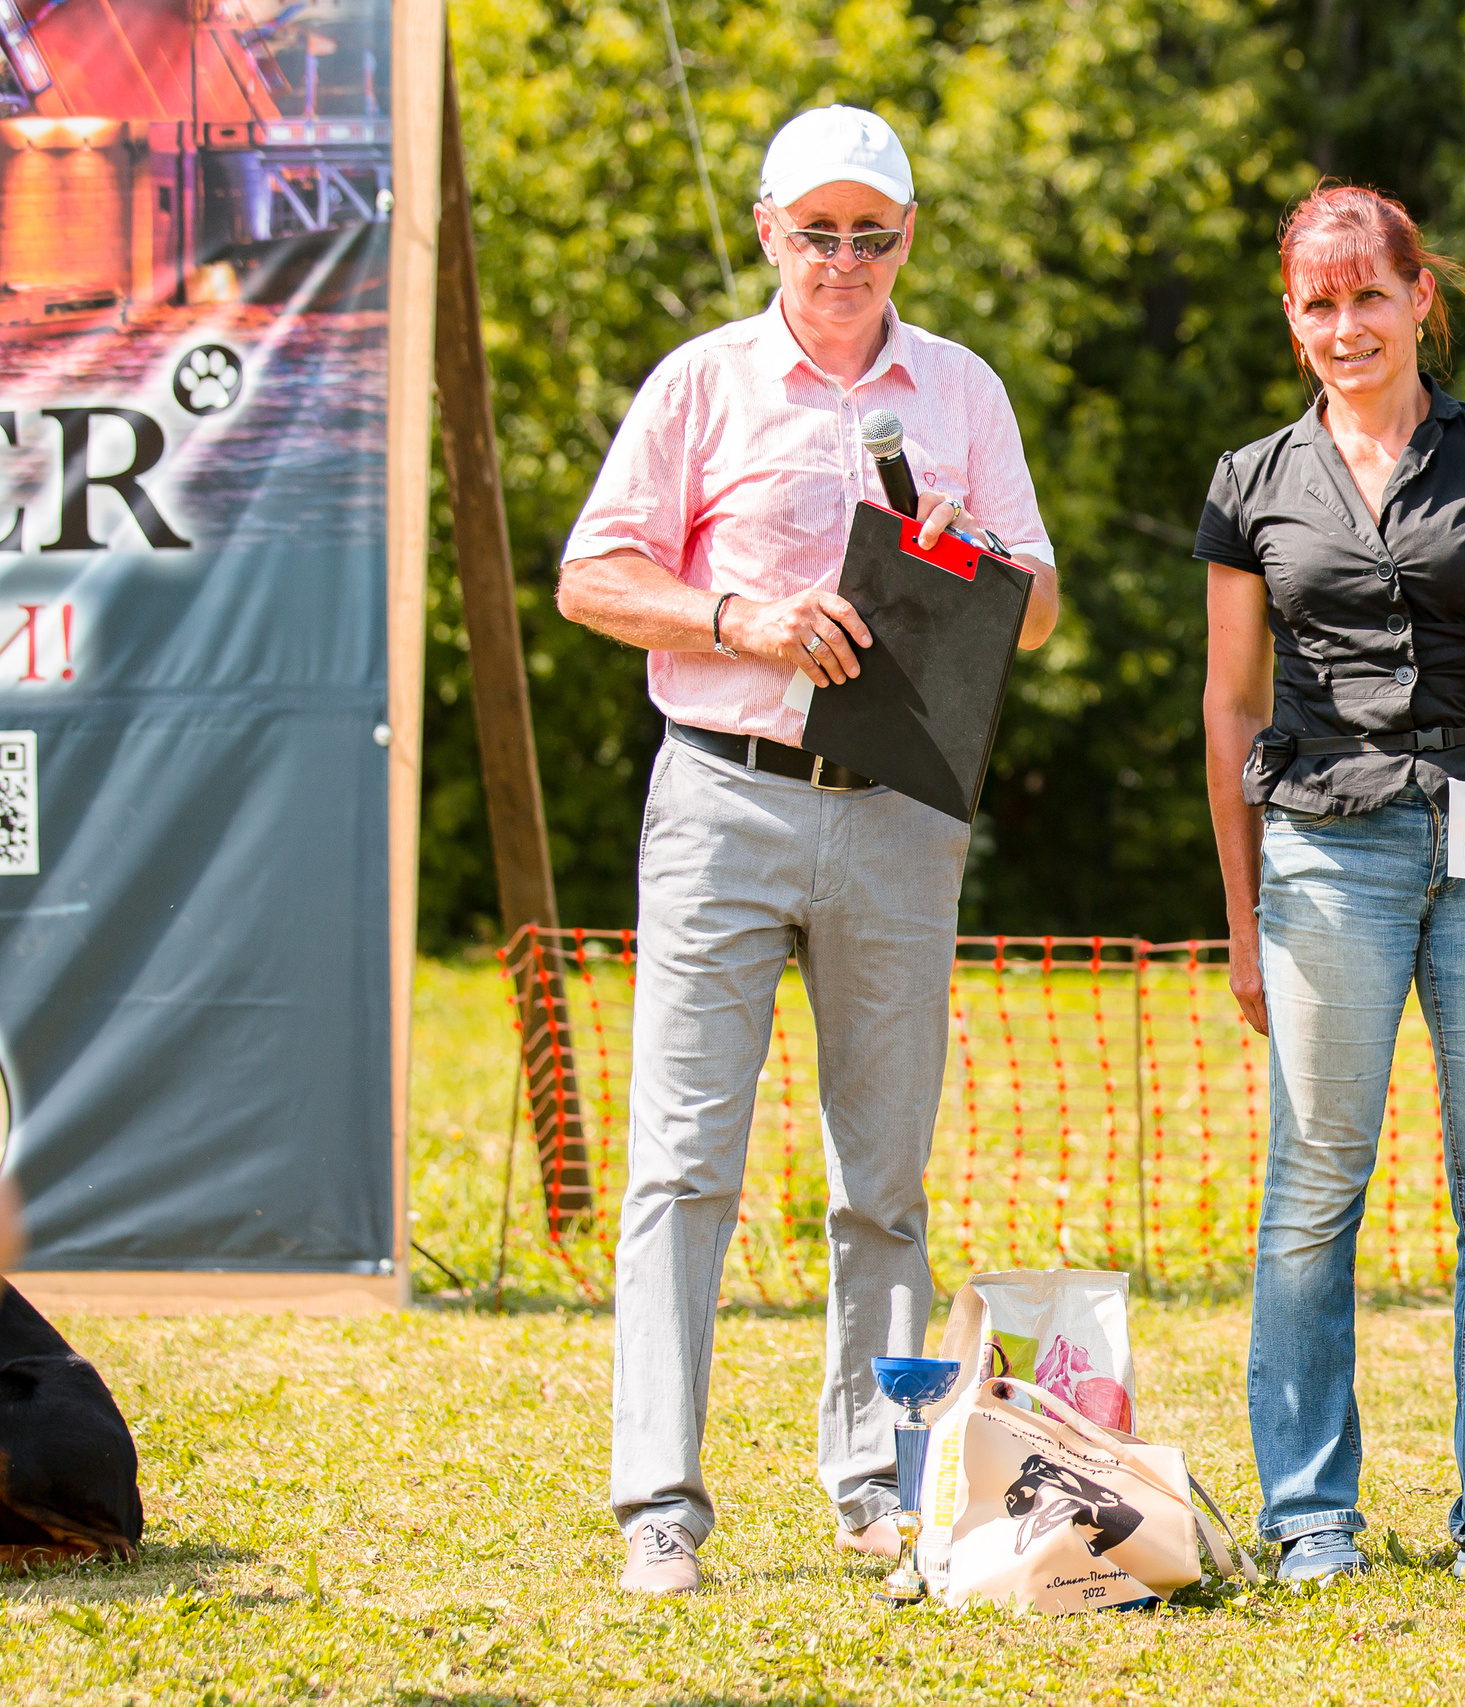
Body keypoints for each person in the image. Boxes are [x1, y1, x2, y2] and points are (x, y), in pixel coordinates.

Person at [557, 105, 1058, 1596]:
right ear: (772, 229)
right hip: (722, 796)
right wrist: (738, 619)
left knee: (883, 1179)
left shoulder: (960, 389)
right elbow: (593, 574)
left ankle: (877, 1488)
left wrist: (968, 554)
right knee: (683, 1165)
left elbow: (1034, 611)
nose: (845, 260)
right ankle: (660, 1502)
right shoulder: (702, 381)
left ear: (909, 237)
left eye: (873, 232)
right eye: (817, 230)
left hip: (901, 812)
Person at [1194, 185, 1465, 1587]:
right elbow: (1229, 708)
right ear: (1293, 316)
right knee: (1314, 1181)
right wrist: (1243, 919)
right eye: (1318, 303)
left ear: (1420, 296)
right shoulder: (1251, 482)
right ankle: (1310, 1517)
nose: (1344, 324)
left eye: (1369, 295)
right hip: (1328, 847)